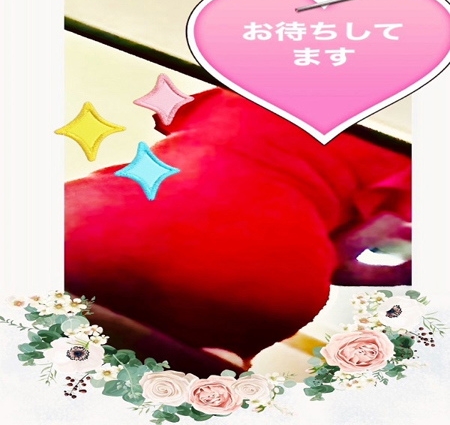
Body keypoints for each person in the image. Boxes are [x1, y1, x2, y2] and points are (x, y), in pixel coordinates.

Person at [65, 88, 411, 364]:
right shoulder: (400, 144)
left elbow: (173, 119)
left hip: (88, 225)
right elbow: (348, 261)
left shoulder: (242, 89)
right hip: (252, 286)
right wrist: (407, 270)